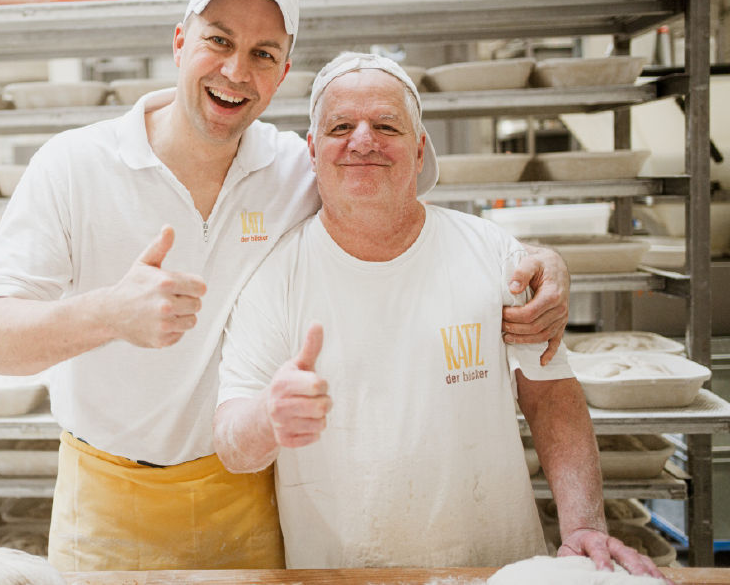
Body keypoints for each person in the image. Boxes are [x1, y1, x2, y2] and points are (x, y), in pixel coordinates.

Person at [0, 0, 570, 572]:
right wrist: (107, 313)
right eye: (218, 41)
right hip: (106, 502)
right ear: (180, 42)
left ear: (281, 73)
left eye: (262, 53)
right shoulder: (73, 166)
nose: (235, 71)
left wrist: (535, 262)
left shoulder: (294, 166)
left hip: (246, 495)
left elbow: (393, 198)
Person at [212, 52, 667, 581]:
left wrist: (583, 525)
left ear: (420, 146)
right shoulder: (276, 281)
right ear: (313, 151)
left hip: (495, 569)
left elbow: (551, 398)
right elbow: (231, 443)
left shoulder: (493, 256)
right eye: (341, 127)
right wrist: (269, 416)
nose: (363, 140)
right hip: (345, 576)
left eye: (386, 125)